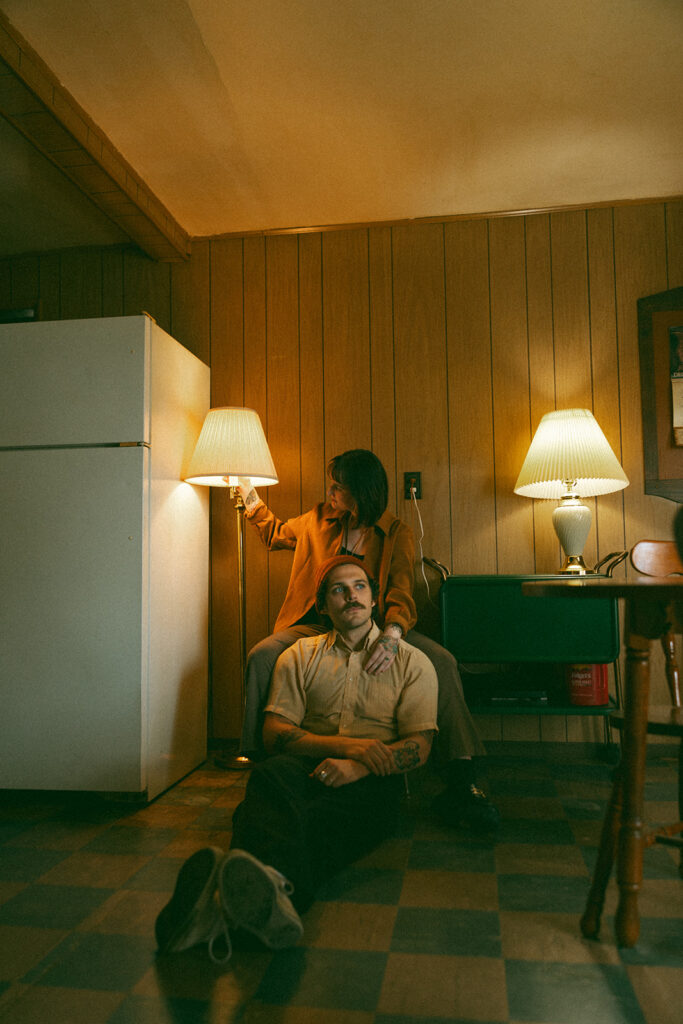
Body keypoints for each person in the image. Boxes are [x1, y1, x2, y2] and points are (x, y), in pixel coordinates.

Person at [155, 555, 438, 961]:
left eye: (359, 587)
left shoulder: (412, 662)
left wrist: (358, 765)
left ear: (374, 600)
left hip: (373, 778)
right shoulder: (300, 655)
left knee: (277, 819)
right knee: (269, 778)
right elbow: (274, 735)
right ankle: (276, 903)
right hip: (304, 764)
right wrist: (345, 747)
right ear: (323, 606)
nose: (351, 596)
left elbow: (419, 746)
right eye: (338, 590)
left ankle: (218, 907)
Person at [237, 448, 499, 829]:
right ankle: (264, 763)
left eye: (338, 487)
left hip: (376, 624)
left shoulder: (396, 533)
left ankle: (462, 775)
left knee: (441, 660)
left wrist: (392, 634)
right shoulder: (316, 519)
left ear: (360, 492)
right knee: (262, 654)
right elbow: (276, 533)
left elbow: (402, 590)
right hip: (314, 621)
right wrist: (248, 493)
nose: (330, 493)